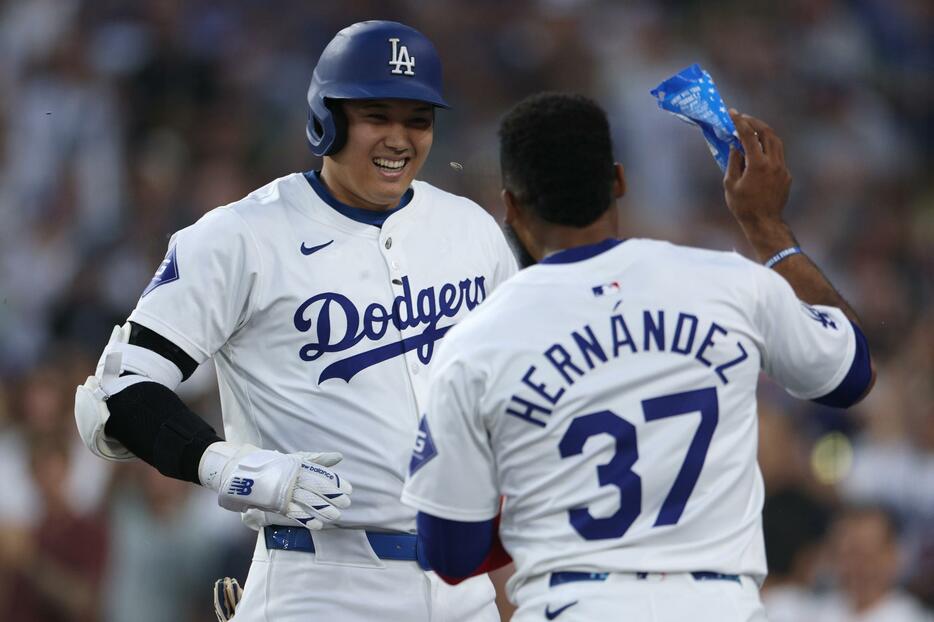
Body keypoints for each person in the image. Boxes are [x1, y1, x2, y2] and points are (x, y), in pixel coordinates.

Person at [74, 20, 516, 622]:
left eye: (417, 118)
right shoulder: (243, 236)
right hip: (318, 581)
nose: (399, 137)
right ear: (326, 119)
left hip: (463, 583)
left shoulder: (472, 230)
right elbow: (118, 393)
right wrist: (229, 466)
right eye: (375, 115)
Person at [400, 92, 876, 621]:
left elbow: (450, 554)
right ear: (619, 181)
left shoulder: (476, 342)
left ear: (510, 205)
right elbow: (850, 375)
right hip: (717, 603)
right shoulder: (727, 284)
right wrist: (765, 225)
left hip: (573, 603)